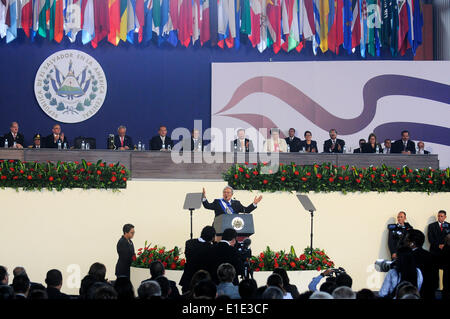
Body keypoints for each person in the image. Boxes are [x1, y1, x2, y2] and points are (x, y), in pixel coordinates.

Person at [179, 226, 216, 293]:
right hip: (203, 281)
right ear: (213, 237)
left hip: (188, 279)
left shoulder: (189, 243)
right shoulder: (211, 248)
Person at [404, 229, 435, 299]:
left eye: (406, 239)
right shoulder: (430, 255)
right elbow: (434, 279)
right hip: (429, 293)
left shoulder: (408, 257)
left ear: (412, 243)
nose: (404, 241)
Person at [428, 210, 449, 297]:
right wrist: (438, 245)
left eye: (441, 216)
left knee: (446, 271)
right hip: (435, 251)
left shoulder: (448, 225)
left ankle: (446, 288)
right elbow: (430, 238)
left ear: (445, 217)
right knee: (434, 271)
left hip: (446, 252)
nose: (440, 217)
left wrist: (444, 245)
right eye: (439, 216)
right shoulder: (432, 226)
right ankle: (435, 288)